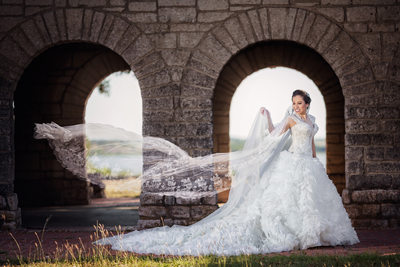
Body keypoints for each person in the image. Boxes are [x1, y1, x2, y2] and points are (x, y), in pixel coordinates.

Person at [34, 90, 359, 256]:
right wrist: (269, 116)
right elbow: (275, 134)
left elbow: (313, 145)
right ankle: (299, 237)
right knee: (289, 201)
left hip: (307, 163)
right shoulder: (289, 119)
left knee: (312, 201)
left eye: (300, 103)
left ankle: (316, 236)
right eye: (294, 103)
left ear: (307, 104)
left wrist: (318, 162)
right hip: (292, 162)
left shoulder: (312, 121)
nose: (298, 107)